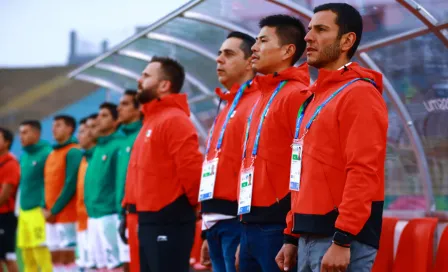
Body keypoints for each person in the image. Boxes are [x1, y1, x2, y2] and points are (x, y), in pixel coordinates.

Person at [276, 3, 388, 272]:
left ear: (347, 40)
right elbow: (301, 173)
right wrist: (291, 235)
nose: (308, 37)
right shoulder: (315, 97)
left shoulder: (359, 94)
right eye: (309, 29)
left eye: (321, 29)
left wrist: (344, 238)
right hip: (308, 237)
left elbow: (364, 170)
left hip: (340, 241)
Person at [236, 14, 310, 272]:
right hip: (249, 224)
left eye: (263, 41)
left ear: (288, 50)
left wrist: (291, 234)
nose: (254, 48)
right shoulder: (262, 96)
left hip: (277, 226)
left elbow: (304, 166)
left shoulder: (296, 95)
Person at [128, 56, 202, 272]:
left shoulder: (174, 119)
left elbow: (191, 170)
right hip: (149, 220)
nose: (139, 80)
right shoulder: (151, 120)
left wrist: (191, 209)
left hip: (168, 220)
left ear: (164, 85)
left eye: (146, 75)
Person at [198, 31, 258, 272]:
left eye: (229, 54)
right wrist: (206, 228)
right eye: (219, 53)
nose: (219, 60)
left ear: (250, 61)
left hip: (237, 223)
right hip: (215, 223)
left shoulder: (257, 103)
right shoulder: (226, 106)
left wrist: (247, 230)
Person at [84, 103, 123, 271]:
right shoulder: (98, 148)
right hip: (93, 216)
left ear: (116, 121)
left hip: (111, 215)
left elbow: (121, 181)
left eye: (105, 115)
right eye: (98, 115)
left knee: (117, 265)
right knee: (101, 266)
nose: (99, 119)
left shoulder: (118, 145)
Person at [43, 115, 83, 272]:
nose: (54, 129)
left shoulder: (74, 151)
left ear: (70, 128)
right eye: (53, 125)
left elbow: (70, 184)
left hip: (67, 215)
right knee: (54, 256)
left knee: (68, 257)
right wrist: (43, 207)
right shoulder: (52, 153)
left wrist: (54, 210)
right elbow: (45, 182)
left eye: (59, 125)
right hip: (50, 215)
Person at [16, 120, 53, 272]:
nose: (21, 137)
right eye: (20, 133)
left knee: (42, 256)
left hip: (39, 211)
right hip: (24, 212)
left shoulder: (47, 153)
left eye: (25, 132)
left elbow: (51, 183)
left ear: (36, 134)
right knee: (26, 256)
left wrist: (46, 206)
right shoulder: (24, 157)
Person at [116, 89, 142, 272]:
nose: (119, 108)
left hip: (140, 212)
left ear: (138, 109)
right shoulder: (123, 140)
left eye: (125, 104)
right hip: (124, 211)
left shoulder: (141, 135)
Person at [75, 116, 96, 270]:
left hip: (95, 219)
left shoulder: (98, 156)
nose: (79, 136)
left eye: (82, 131)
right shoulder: (84, 158)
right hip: (82, 221)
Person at [0, 127, 20, 272]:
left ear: (7, 142)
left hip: (5, 216)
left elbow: (5, 195)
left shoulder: (10, 164)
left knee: (8, 257)